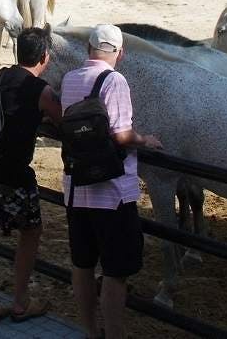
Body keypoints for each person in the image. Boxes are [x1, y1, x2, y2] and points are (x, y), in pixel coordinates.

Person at [60, 25, 161, 339]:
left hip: (76, 188)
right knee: (116, 272)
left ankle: (91, 331)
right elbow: (120, 134)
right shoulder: (115, 80)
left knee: (83, 265)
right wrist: (145, 139)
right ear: (120, 52)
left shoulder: (69, 79)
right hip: (111, 192)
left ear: (89, 48)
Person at [0, 27, 61, 327]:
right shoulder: (41, 90)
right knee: (31, 231)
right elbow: (62, 120)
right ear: (44, 57)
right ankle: (20, 302)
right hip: (13, 176)